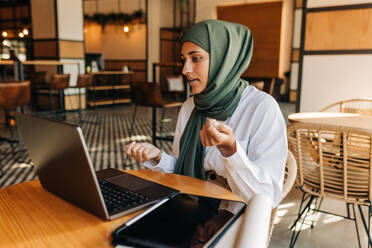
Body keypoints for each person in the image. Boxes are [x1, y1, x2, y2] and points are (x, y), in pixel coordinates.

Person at [125, 20, 287, 209]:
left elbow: (267, 197)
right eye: (183, 59)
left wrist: (231, 151)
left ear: (223, 59)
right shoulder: (190, 107)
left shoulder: (261, 108)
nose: (185, 69)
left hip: (234, 218)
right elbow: (184, 172)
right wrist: (158, 157)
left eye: (195, 58)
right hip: (189, 209)